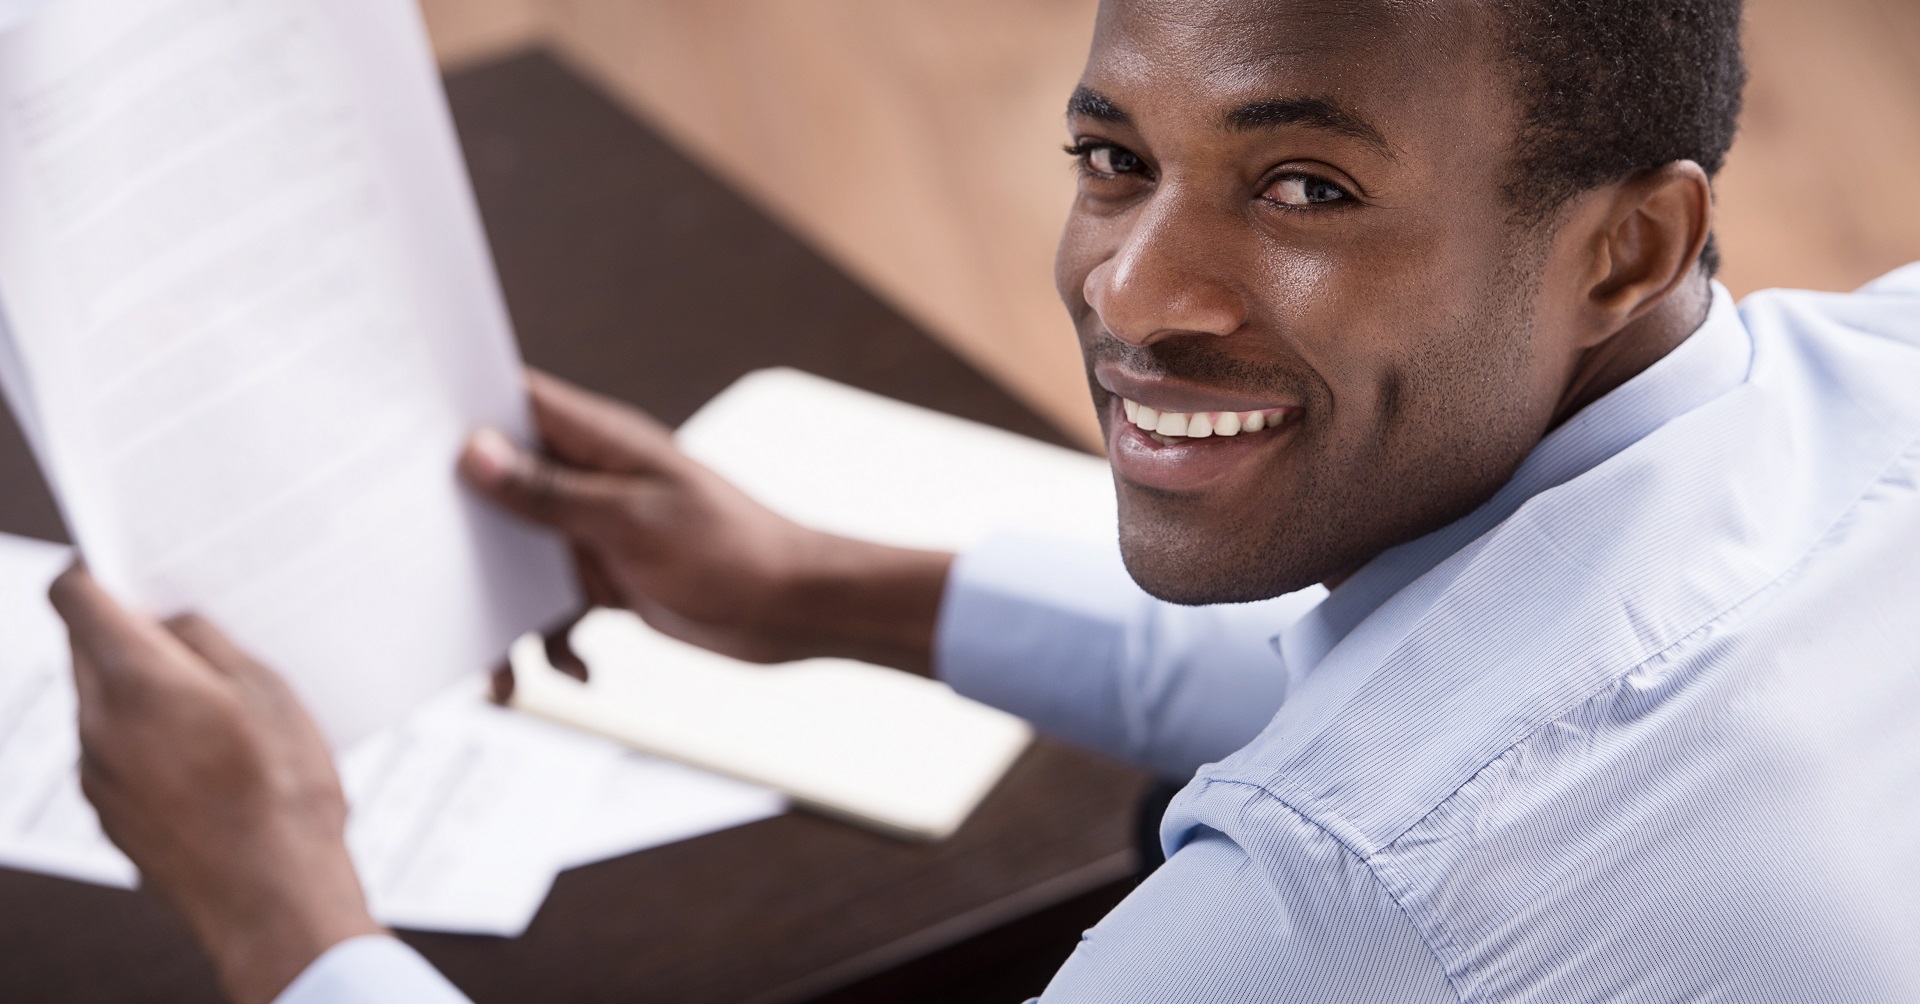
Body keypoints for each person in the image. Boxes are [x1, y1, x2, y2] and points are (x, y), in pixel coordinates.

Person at [47, 0, 1920, 1000]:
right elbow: (1467, 692)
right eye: (1116, 157)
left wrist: (285, 913)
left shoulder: (1341, 916)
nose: (1132, 290)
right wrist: (821, 590)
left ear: (1630, 245)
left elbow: (1431, 808)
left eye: (1305, 191)